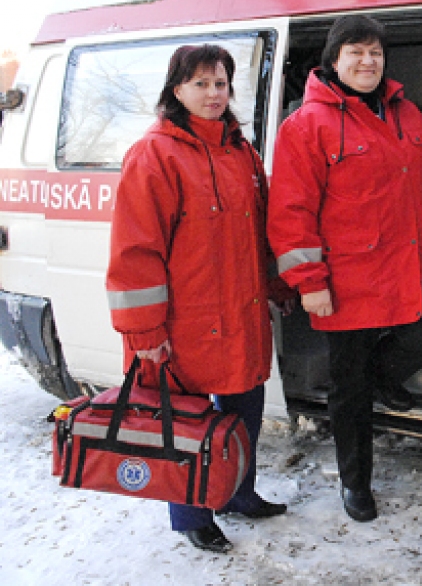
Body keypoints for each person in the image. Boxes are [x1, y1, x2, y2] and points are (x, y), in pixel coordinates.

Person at [268, 15, 422, 523]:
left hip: (406, 263)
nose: (367, 61)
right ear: (333, 61)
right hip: (346, 278)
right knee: (348, 386)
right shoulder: (306, 126)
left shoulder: (407, 115)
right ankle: (356, 483)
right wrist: (309, 283)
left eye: (375, 52)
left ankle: (382, 378)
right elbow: (290, 214)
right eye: (355, 52)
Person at [106, 44, 294, 553]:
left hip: (240, 311)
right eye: (201, 84)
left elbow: (259, 232)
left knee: (243, 413)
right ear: (176, 89)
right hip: (182, 325)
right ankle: (191, 513)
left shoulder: (240, 150)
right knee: (186, 424)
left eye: (221, 84)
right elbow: (135, 252)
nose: (214, 94)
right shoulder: (155, 154)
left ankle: (237, 493)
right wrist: (144, 334)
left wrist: (277, 286)